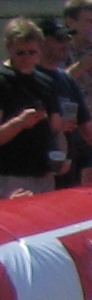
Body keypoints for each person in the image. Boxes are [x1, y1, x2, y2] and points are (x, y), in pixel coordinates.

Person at [0, 17, 60, 195]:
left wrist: (61, 156)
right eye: (20, 53)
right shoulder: (3, 81)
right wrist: (20, 123)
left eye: (32, 52)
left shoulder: (45, 82)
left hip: (43, 174)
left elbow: (56, 128)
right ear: (8, 48)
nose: (26, 58)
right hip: (10, 175)